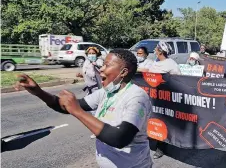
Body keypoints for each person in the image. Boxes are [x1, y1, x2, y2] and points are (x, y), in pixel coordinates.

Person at [15, 49, 153, 168]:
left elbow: (120, 138)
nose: (101, 69)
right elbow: (65, 107)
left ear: (123, 72)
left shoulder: (137, 97)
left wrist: (78, 112)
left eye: (107, 65)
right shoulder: (106, 92)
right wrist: (39, 92)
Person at [148, 42, 180, 159]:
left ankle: (161, 148)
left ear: (161, 51)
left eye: (156, 48)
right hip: (153, 97)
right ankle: (153, 139)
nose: (154, 51)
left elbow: (178, 80)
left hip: (166, 99)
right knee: (153, 119)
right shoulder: (155, 63)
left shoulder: (171, 64)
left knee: (162, 121)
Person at [76, 46, 104, 138]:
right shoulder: (86, 62)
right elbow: (87, 74)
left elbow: (98, 73)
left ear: (97, 54)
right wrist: (81, 75)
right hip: (90, 89)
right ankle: (98, 128)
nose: (91, 55)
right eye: (89, 53)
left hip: (97, 89)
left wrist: (96, 65)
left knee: (95, 110)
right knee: (91, 110)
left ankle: (98, 130)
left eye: (93, 53)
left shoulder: (99, 62)